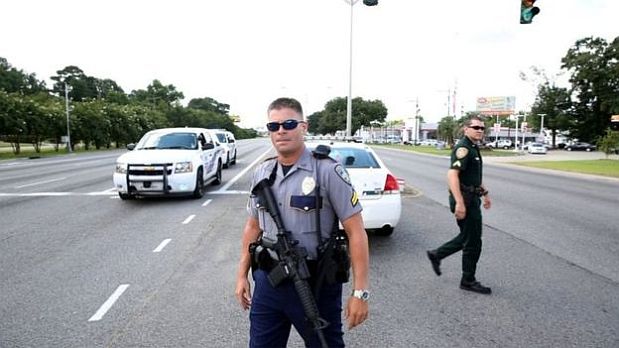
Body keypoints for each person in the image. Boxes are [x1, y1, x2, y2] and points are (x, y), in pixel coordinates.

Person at [235, 97, 370, 347]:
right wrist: (242, 274)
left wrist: (360, 292)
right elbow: (253, 226)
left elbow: (356, 231)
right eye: (273, 127)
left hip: (315, 284)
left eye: (288, 123)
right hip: (269, 281)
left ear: (303, 127)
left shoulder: (327, 171)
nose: (281, 131)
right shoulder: (262, 173)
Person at [426, 116, 493, 294]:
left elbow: (473, 177)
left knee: (469, 238)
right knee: (472, 242)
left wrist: (485, 193)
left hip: (472, 198)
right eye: (476, 127)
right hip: (465, 200)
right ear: (466, 129)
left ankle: (437, 254)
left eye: (482, 128)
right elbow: (452, 175)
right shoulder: (463, 148)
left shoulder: (472, 147)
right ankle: (468, 280)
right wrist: (460, 204)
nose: (479, 130)